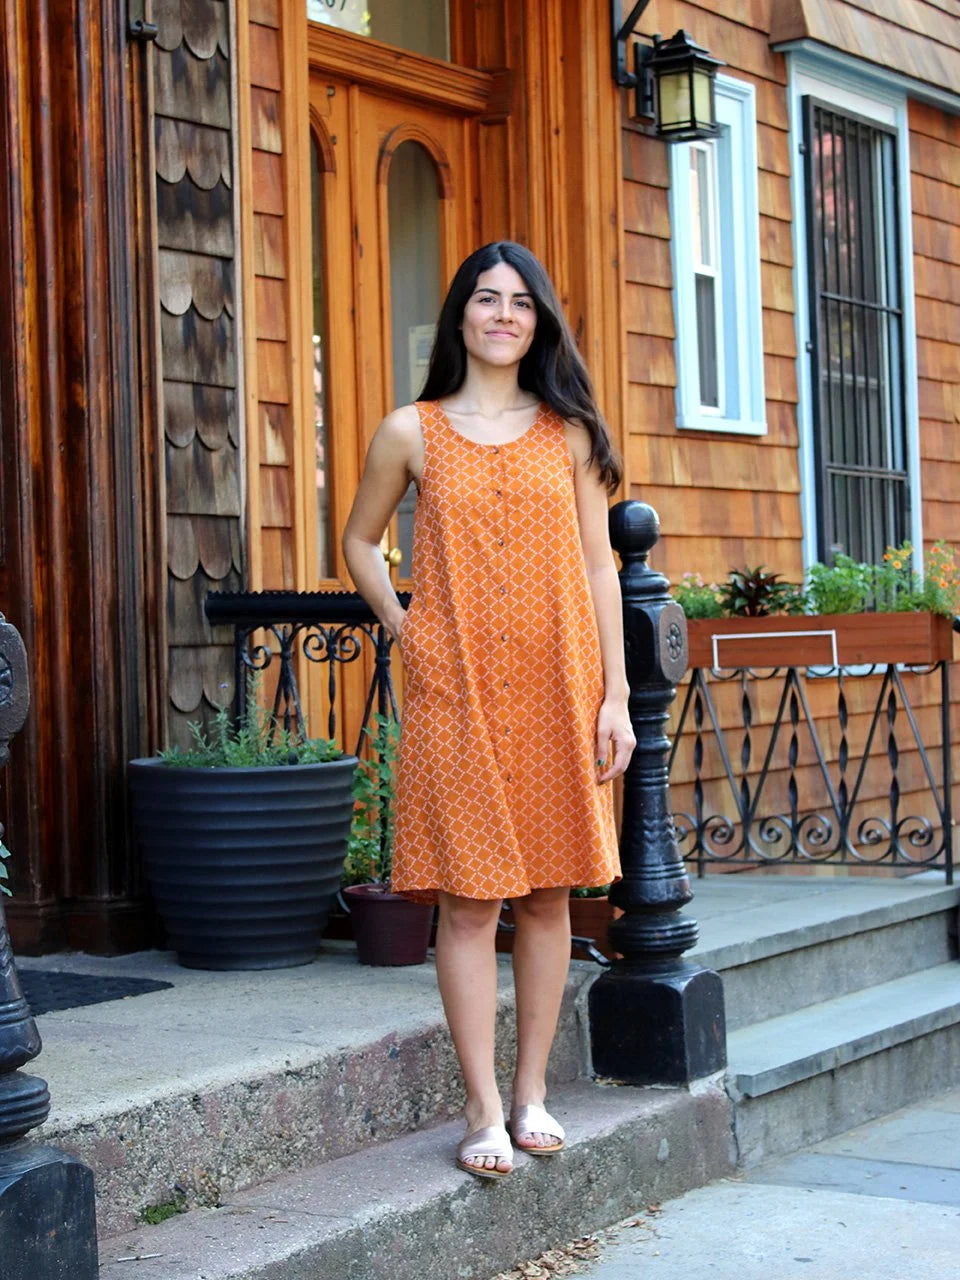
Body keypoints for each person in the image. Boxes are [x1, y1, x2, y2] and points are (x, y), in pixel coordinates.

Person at [342, 241, 635, 1179]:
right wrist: (403, 623)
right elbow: (358, 540)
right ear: (460, 315)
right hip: (455, 689)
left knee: (548, 894)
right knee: (469, 903)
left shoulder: (572, 433)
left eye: (520, 302)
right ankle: (478, 1108)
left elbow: (601, 564)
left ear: (539, 320)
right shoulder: (412, 431)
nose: (503, 314)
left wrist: (617, 694)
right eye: (485, 298)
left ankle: (532, 1093)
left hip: (559, 685)